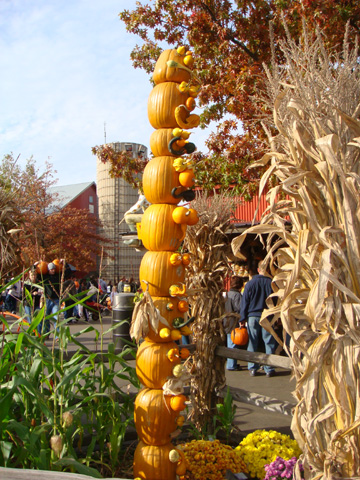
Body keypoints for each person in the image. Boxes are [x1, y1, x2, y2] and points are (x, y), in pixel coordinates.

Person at [240, 260, 277, 377]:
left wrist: (242, 318)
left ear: (258, 269)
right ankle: (269, 368)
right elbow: (275, 300)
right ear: (268, 270)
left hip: (252, 316)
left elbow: (244, 302)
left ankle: (252, 367)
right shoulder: (271, 283)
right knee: (269, 342)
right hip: (267, 315)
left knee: (252, 342)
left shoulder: (250, 284)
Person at [224, 276, 244, 371]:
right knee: (233, 343)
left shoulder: (228, 294)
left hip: (226, 320)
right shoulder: (237, 296)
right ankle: (231, 365)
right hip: (233, 321)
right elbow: (239, 308)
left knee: (230, 342)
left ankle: (231, 363)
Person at [23, 269, 44, 334]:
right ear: (29, 276)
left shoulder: (39, 283)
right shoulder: (26, 284)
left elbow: (42, 292)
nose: (33, 276)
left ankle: (38, 334)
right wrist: (31, 294)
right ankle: (32, 333)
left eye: (34, 275)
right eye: (32, 275)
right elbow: (24, 294)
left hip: (37, 303)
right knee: (30, 321)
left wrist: (39, 294)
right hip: (29, 304)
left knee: (38, 319)